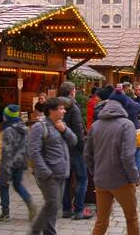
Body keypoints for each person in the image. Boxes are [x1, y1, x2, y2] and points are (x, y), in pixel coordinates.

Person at [84, 96, 140, 235]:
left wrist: (95, 172)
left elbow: (87, 155)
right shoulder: (126, 124)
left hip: (101, 180)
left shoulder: (96, 125)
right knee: (131, 218)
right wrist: (134, 178)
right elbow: (127, 156)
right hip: (121, 181)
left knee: (101, 221)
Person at [28, 97, 77, 235]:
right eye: (61, 108)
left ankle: (36, 230)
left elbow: (74, 141)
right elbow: (33, 152)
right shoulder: (39, 127)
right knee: (52, 205)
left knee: (54, 206)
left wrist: (64, 130)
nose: (64, 111)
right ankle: (43, 231)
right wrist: (45, 171)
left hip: (62, 172)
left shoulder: (61, 124)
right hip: (49, 174)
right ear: (51, 111)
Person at [58, 82, 94, 220]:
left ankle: (66, 209)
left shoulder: (56, 106)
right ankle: (79, 209)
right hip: (75, 149)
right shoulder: (73, 107)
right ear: (72, 92)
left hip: (61, 148)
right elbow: (78, 130)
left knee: (66, 180)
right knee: (82, 179)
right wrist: (82, 148)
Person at [0, 105, 37, 222]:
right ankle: (29, 201)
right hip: (21, 161)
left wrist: (6, 168)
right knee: (18, 185)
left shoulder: (8, 130)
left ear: (6, 116)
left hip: (10, 163)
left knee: (4, 186)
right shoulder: (23, 127)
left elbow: (7, 151)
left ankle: (5, 213)